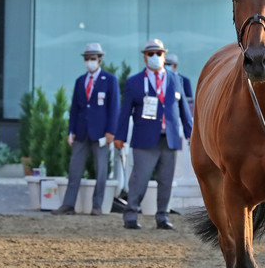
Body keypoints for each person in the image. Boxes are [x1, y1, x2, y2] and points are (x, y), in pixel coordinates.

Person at [114, 39, 193, 230]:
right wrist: (120, 136)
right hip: (144, 140)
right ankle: (131, 215)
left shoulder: (176, 80)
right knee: (139, 179)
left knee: (166, 181)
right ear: (144, 57)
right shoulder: (134, 82)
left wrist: (192, 134)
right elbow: (124, 113)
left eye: (159, 53)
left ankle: (163, 216)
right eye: (151, 54)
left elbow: (184, 111)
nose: (155, 57)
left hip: (170, 139)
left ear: (164, 56)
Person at [51, 43, 120, 216]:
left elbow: (114, 108)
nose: (90, 62)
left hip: (101, 133)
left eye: (93, 58)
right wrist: (70, 130)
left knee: (101, 170)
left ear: (100, 59)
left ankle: (97, 205)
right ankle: (68, 204)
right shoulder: (80, 81)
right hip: (81, 132)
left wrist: (111, 131)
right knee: (74, 169)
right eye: (87, 59)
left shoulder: (109, 80)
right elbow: (74, 108)